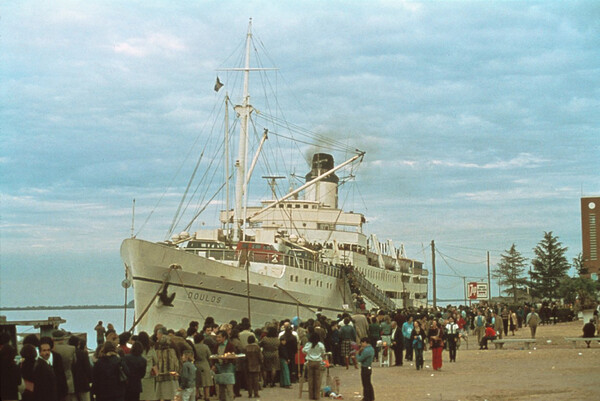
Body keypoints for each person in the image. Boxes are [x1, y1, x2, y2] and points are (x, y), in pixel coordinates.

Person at [212, 330, 236, 401]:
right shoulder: (216, 346)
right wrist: (213, 365)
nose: (217, 339)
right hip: (219, 368)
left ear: (224, 337)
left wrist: (227, 359)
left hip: (228, 368)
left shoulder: (230, 345)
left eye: (219, 337)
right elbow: (214, 356)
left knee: (229, 388)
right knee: (220, 388)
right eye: (217, 337)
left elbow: (233, 357)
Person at [302, 332, 326, 401]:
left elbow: (304, 351)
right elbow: (323, 353)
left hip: (310, 362)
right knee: (317, 380)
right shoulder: (320, 344)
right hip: (318, 362)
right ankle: (317, 396)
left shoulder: (308, 344)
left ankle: (311, 396)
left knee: (310, 379)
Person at [136, 332, 158, 401]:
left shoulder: (137, 349)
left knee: (141, 396)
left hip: (139, 375)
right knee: (149, 395)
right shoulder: (151, 349)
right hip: (149, 375)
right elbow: (156, 360)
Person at [69, 336, 92, 401]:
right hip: (83, 383)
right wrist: (90, 379)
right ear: (78, 343)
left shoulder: (69, 354)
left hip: (72, 384)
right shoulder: (83, 354)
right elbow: (87, 368)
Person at [193, 333, 212, 401]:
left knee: (196, 383)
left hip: (196, 365)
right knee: (206, 383)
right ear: (202, 339)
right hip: (205, 365)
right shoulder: (205, 347)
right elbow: (209, 356)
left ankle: (196, 395)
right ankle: (206, 397)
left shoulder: (193, 346)